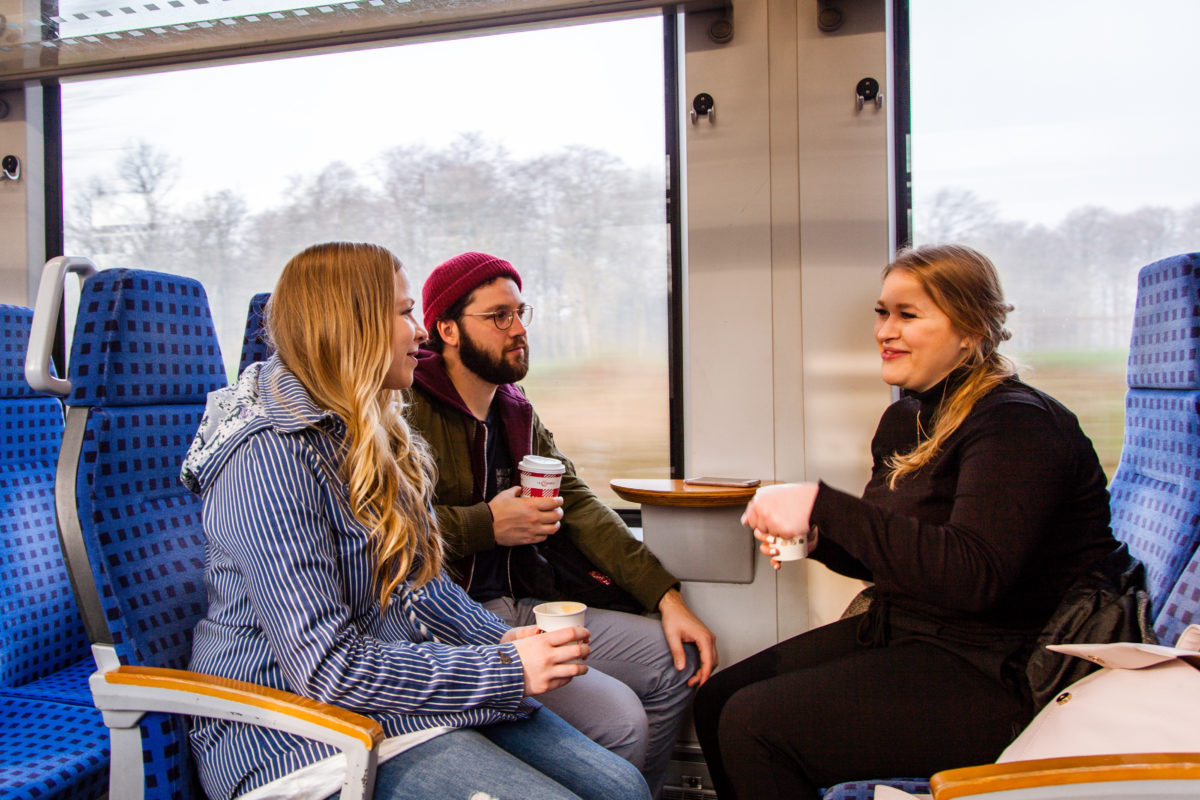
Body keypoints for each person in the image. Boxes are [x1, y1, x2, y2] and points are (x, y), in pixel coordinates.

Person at [180, 242, 650, 800]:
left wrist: (508, 642)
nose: (421, 332)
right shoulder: (266, 459)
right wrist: (503, 670)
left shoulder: (377, 433)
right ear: (350, 326)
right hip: (295, 736)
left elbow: (425, 592)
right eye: (405, 313)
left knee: (623, 787)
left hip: (399, 704)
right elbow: (327, 669)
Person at [692, 244, 1119, 799]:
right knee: (719, 700)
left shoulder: (1019, 426)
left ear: (970, 330)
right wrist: (819, 538)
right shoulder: (908, 416)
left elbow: (974, 576)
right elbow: (891, 556)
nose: (885, 331)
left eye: (908, 315)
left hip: (1005, 667)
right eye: (882, 312)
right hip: (913, 631)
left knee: (754, 726)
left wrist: (823, 504)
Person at [408, 251, 718, 797]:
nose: (518, 328)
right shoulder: (408, 410)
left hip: (523, 600)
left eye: (521, 311)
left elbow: (576, 501)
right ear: (448, 330)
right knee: (621, 721)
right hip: (455, 620)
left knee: (676, 662)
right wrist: (487, 525)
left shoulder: (514, 407)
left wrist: (666, 596)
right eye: (498, 315)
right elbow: (383, 530)